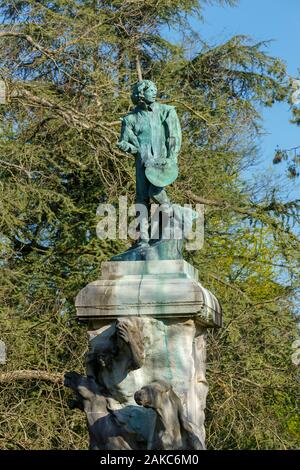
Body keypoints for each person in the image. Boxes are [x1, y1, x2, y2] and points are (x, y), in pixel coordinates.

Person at [117, 80, 182, 246]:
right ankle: (143, 238)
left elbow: (174, 136)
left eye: (155, 90)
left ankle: (172, 218)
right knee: (141, 198)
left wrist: (172, 158)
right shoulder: (130, 119)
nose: (154, 93)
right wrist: (126, 147)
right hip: (142, 163)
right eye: (150, 90)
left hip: (162, 162)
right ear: (141, 93)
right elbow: (126, 143)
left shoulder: (166, 111)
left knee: (156, 191)